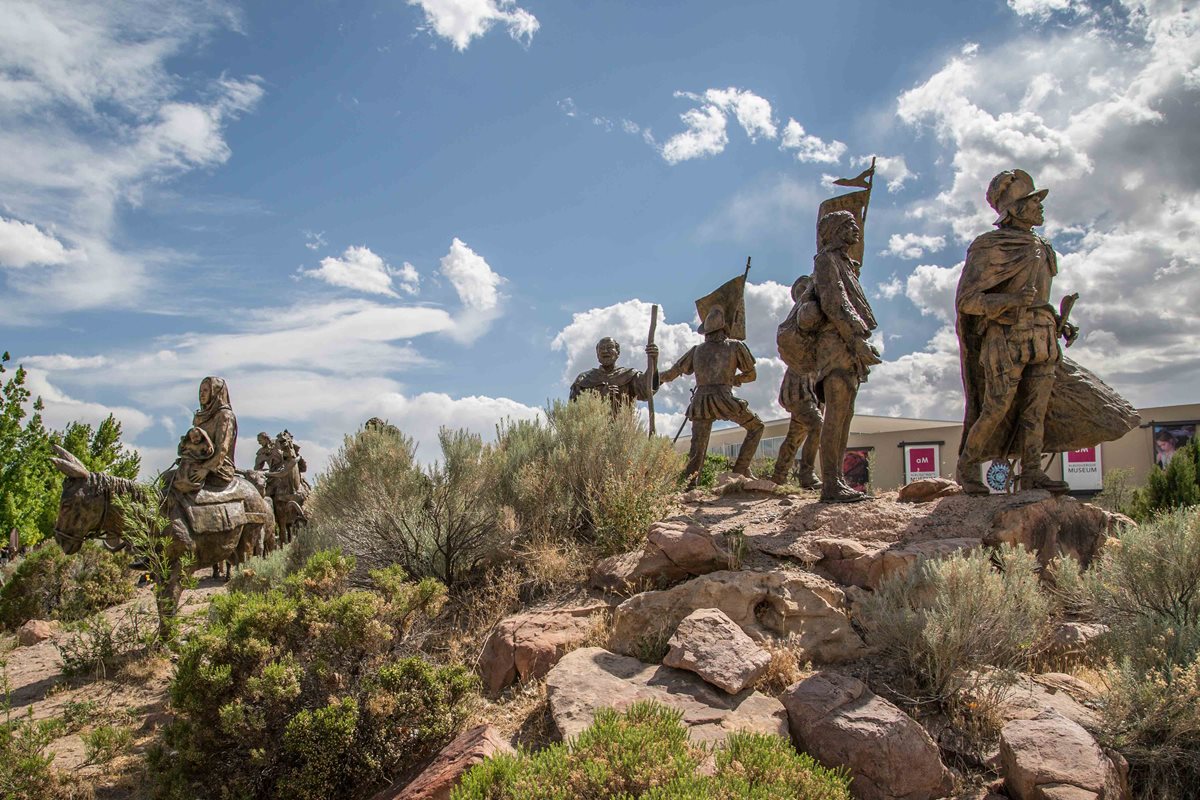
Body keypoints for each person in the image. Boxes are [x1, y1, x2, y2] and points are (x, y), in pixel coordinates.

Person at [955, 170, 1075, 495]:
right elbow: (968, 301)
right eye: (1031, 200)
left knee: (1036, 410)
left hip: (1043, 334)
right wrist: (1009, 300)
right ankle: (967, 468)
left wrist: (1058, 320)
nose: (1039, 205)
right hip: (1006, 336)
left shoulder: (1043, 245)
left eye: (1037, 199)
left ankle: (1032, 471)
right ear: (1015, 209)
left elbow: (1039, 299)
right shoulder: (989, 246)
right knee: (996, 407)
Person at [811, 211, 881, 503]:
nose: (856, 230)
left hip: (848, 346)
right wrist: (856, 338)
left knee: (845, 416)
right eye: (850, 225)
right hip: (836, 345)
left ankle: (837, 479)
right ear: (836, 230)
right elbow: (834, 302)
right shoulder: (826, 261)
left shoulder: (846, 265)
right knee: (835, 416)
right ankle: (830, 483)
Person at [659, 306, 763, 487]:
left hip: (701, 400)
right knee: (756, 427)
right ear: (725, 329)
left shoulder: (696, 350)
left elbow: (671, 373)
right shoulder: (735, 346)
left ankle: (690, 485)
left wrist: (654, 377)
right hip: (724, 397)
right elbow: (751, 375)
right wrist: (735, 379)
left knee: (697, 447)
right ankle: (740, 469)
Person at [772, 275, 823, 488]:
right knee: (817, 425)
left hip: (812, 387)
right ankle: (806, 475)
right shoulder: (797, 321)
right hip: (798, 387)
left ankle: (778, 476)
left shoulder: (819, 320)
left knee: (795, 435)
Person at [569, 337, 659, 412]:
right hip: (590, 432)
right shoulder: (583, 379)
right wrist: (599, 397)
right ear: (597, 354)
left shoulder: (629, 375)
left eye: (609, 347)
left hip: (622, 431)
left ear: (618, 352)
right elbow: (572, 410)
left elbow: (646, 391)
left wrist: (653, 360)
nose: (605, 351)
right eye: (601, 348)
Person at [173, 427, 215, 493]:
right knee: (184, 468)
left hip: (198, 463)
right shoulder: (189, 444)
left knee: (193, 473)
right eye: (193, 438)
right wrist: (182, 444)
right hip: (187, 461)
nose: (195, 439)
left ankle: (191, 484)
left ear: (201, 435)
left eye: (197, 436)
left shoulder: (204, 444)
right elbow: (182, 449)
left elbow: (209, 452)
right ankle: (182, 480)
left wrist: (208, 450)